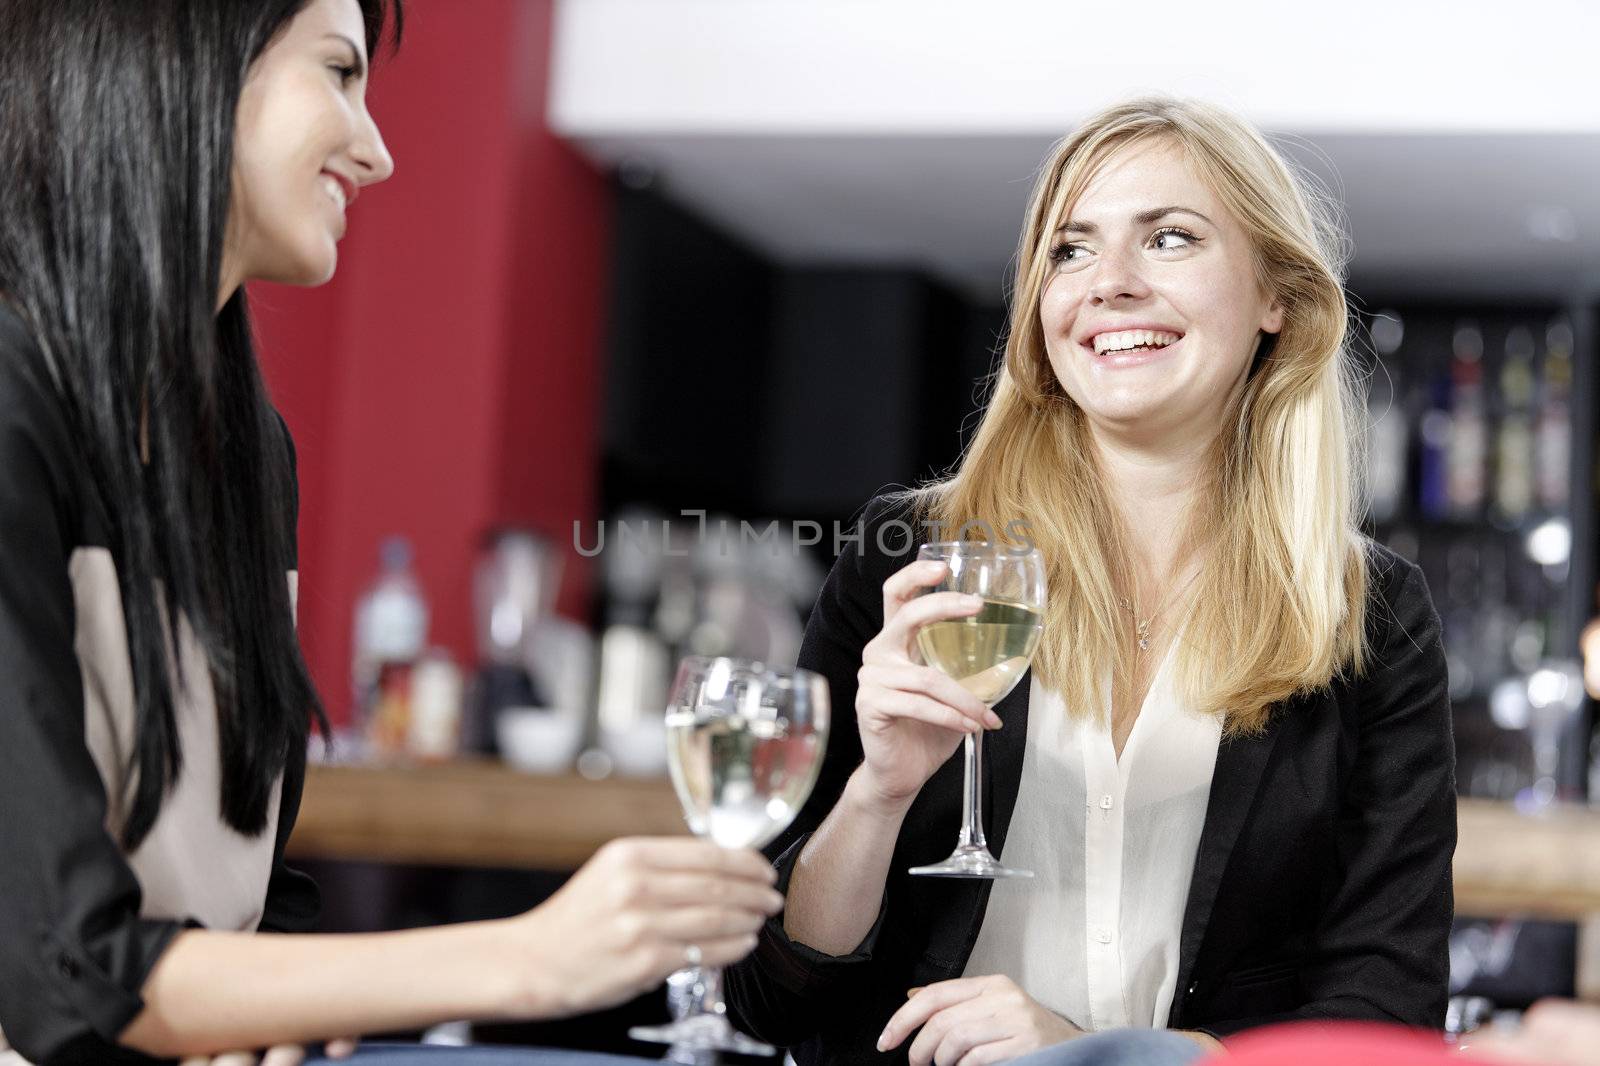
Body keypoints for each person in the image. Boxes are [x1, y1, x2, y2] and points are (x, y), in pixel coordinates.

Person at [0, 3, 780, 1064]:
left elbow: (243, 882)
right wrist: (530, 956)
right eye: (338, 72)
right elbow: (67, 971)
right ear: (179, 66)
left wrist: (270, 1009)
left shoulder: (243, 452)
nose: (375, 151)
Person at [726, 96, 1456, 1064]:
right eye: (1069, 250)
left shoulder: (1371, 612)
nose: (1108, 283)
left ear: (1276, 297)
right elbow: (767, 994)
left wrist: (1096, 1054)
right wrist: (877, 794)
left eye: (1168, 238)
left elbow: (1385, 1012)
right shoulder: (911, 556)